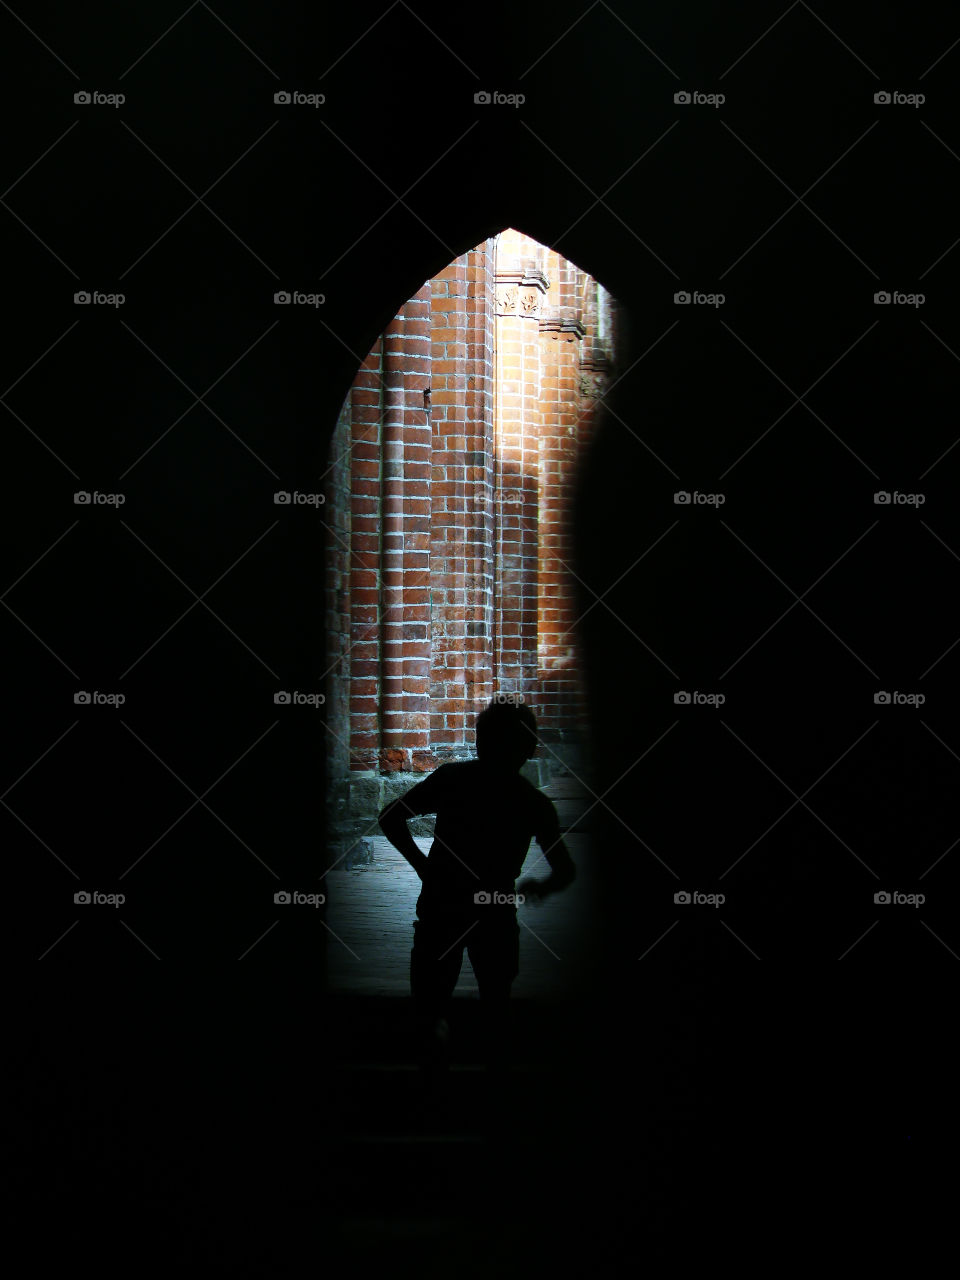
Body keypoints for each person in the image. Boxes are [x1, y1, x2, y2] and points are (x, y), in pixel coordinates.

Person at [377, 698, 576, 1086]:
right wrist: (540, 885)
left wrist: (423, 867)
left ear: (481, 741)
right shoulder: (533, 802)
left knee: (430, 1005)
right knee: (496, 1005)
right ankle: (495, 1093)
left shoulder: (453, 780)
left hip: (442, 903)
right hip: (495, 911)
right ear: (528, 748)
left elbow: (390, 816)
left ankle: (431, 1087)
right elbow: (565, 870)